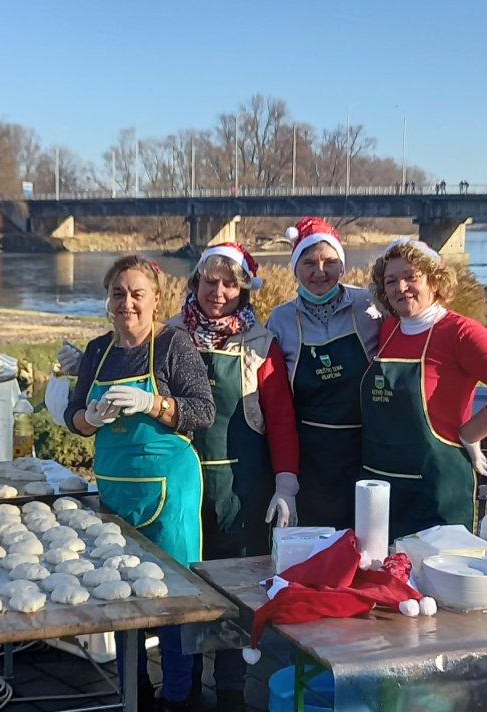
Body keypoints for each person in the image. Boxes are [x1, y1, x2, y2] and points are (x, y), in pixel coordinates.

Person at [63, 255, 214, 711]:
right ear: (107, 300)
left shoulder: (174, 345)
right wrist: (88, 418)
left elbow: (202, 412)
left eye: (137, 293)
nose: (126, 302)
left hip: (169, 493)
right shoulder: (96, 351)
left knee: (174, 600)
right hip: (116, 492)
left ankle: (180, 695)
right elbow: (74, 417)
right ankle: (135, 693)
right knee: (122, 592)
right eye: (117, 293)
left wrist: (155, 404)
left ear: (156, 300)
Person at [163, 243, 300, 710]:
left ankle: (231, 689)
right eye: (209, 281)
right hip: (180, 487)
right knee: (183, 585)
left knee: (235, 593)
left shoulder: (260, 344)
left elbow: (281, 420)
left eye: (229, 284)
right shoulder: (170, 336)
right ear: (195, 282)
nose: (217, 292)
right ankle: (179, 686)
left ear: (243, 290)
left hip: (241, 489)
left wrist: (286, 482)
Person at [362, 238, 487, 538]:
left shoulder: (460, 333)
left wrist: (472, 433)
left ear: (434, 280)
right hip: (381, 486)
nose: (400, 287)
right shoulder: (390, 329)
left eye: (411, 277)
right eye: (391, 281)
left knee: (435, 578)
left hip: (437, 486)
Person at [266, 217, 382, 529]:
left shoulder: (370, 305)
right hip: (310, 454)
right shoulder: (280, 319)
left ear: (342, 266)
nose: (320, 271)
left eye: (329, 261)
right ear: (295, 268)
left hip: (367, 447)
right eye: (309, 262)